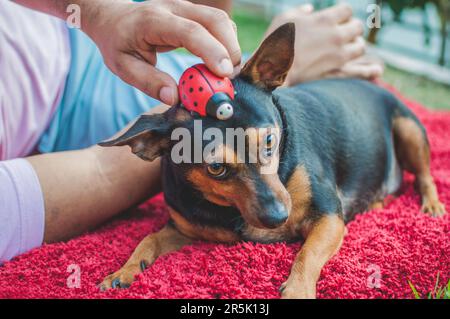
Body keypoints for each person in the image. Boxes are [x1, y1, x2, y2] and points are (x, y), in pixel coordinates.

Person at [0, 0, 383, 262]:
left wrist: (99, 12)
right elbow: (103, 168)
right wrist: (270, 85)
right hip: (90, 101)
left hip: (86, 31)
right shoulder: (176, 129)